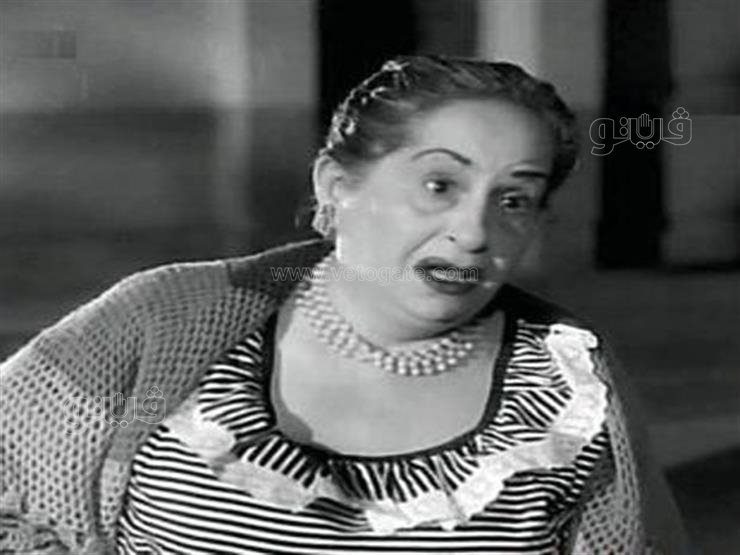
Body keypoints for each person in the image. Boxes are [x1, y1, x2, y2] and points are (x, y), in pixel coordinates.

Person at [0, 55, 687, 554]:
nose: (474, 231)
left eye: (514, 200)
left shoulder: (567, 385)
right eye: (440, 185)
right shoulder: (166, 320)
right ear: (336, 185)